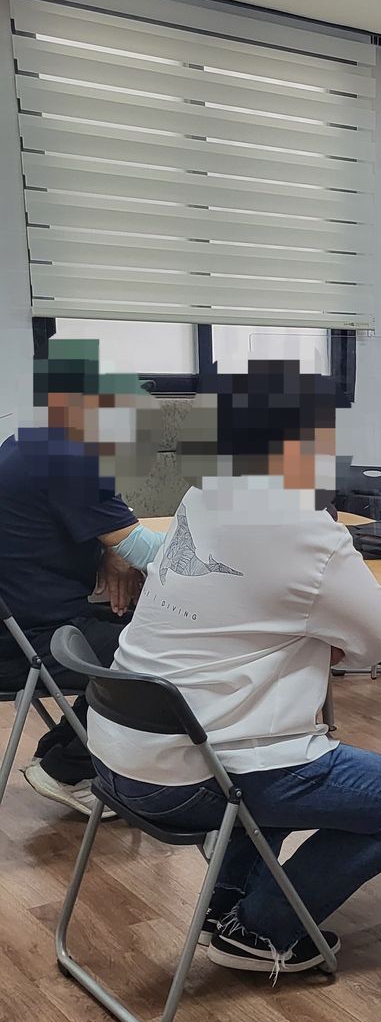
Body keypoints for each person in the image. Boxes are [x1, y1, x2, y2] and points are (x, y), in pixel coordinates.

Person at [87, 361, 381, 977]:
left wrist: (304, 632)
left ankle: (226, 905)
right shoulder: (306, 531)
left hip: (119, 754)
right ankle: (262, 930)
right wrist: (322, 637)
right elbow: (378, 641)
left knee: (272, 761)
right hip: (191, 776)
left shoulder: (201, 498)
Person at [0, 339, 164, 815]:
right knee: (165, 658)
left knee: (145, 628)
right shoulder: (71, 459)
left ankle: (60, 753)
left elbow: (116, 531)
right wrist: (221, 555)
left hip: (23, 621)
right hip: (30, 641)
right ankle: (68, 769)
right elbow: (141, 547)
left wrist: (111, 548)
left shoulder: (30, 443)